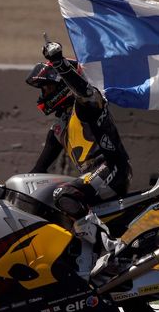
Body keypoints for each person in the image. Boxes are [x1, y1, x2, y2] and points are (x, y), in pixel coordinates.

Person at [25, 41, 132, 279]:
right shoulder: (57, 129)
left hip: (111, 168)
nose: (43, 96)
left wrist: (59, 63)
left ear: (63, 86)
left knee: (63, 194)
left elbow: (84, 91)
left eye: (48, 89)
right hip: (93, 177)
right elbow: (37, 170)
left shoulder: (87, 105)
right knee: (49, 203)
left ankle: (110, 249)